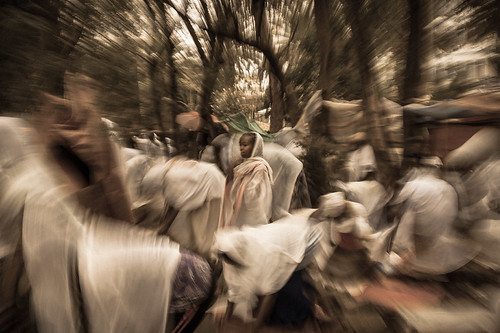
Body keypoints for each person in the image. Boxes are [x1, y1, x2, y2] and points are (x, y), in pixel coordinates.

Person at [219, 132, 273, 229]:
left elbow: (256, 194)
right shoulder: (241, 165)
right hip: (237, 210)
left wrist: (241, 189)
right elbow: (230, 186)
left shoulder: (260, 168)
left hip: (251, 215)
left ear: (255, 147)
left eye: (245, 145)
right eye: (240, 145)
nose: (241, 148)